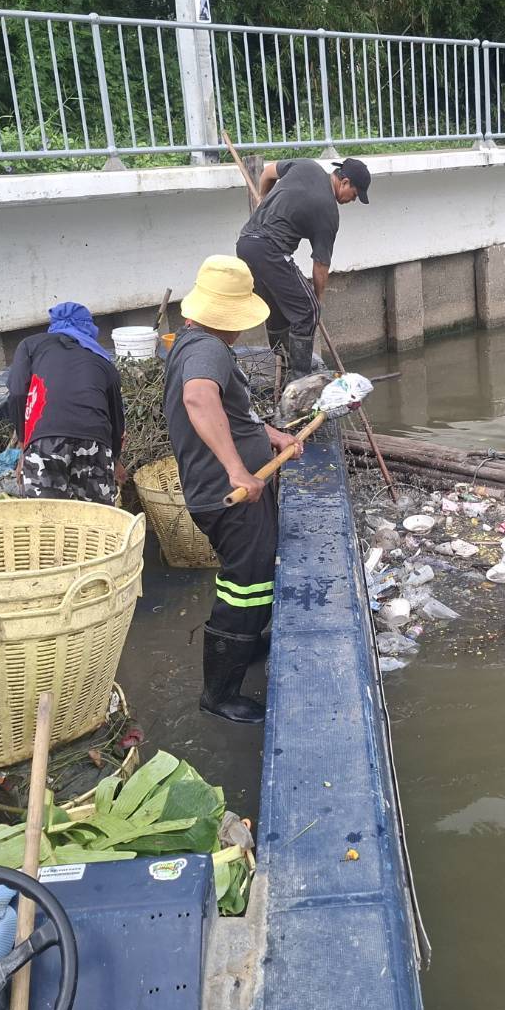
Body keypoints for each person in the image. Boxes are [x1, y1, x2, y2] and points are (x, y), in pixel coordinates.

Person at [164, 256, 305, 724]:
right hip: (230, 497)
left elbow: (231, 410)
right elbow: (198, 398)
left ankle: (247, 642)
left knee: (248, 579)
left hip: (228, 488)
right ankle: (220, 695)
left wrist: (269, 433)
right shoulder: (208, 350)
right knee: (245, 586)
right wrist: (238, 471)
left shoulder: (190, 342)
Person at [236, 156, 371, 377]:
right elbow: (321, 265)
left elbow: (267, 173)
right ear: (345, 182)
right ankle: (300, 379)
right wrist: (317, 303)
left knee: (277, 313)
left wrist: (263, 199)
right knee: (307, 311)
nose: (353, 200)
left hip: (245, 244)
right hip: (271, 251)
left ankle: (283, 369)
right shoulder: (328, 212)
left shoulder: (307, 165)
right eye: (355, 195)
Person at [8, 302, 126, 505]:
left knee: (45, 515)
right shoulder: (102, 360)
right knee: (96, 518)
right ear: (88, 327)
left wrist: (24, 445)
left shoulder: (31, 345)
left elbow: (18, 392)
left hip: (45, 440)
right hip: (95, 441)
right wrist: (114, 460)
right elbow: (117, 420)